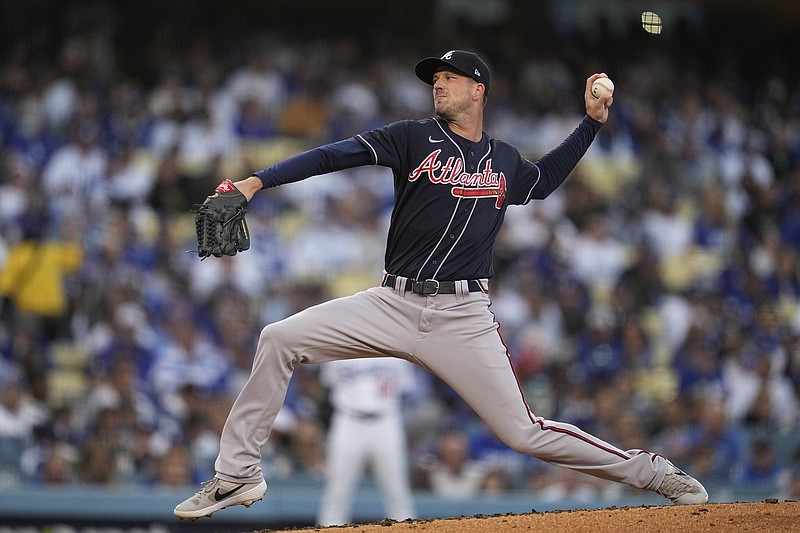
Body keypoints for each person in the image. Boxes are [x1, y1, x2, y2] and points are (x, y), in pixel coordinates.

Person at [174, 49, 708, 520]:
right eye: (435, 78)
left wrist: (590, 125)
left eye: (450, 77)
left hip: (462, 315)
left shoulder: (502, 160)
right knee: (278, 338)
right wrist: (256, 180)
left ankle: (652, 473)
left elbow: (542, 183)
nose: (439, 83)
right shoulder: (412, 137)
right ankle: (238, 473)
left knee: (522, 432)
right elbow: (334, 154)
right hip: (391, 300)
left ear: (478, 90)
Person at [316, 357, 416, 526]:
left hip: (386, 420)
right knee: (337, 494)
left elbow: (404, 387)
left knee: (397, 494)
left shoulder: (395, 344)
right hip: (348, 420)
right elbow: (328, 383)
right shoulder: (339, 342)